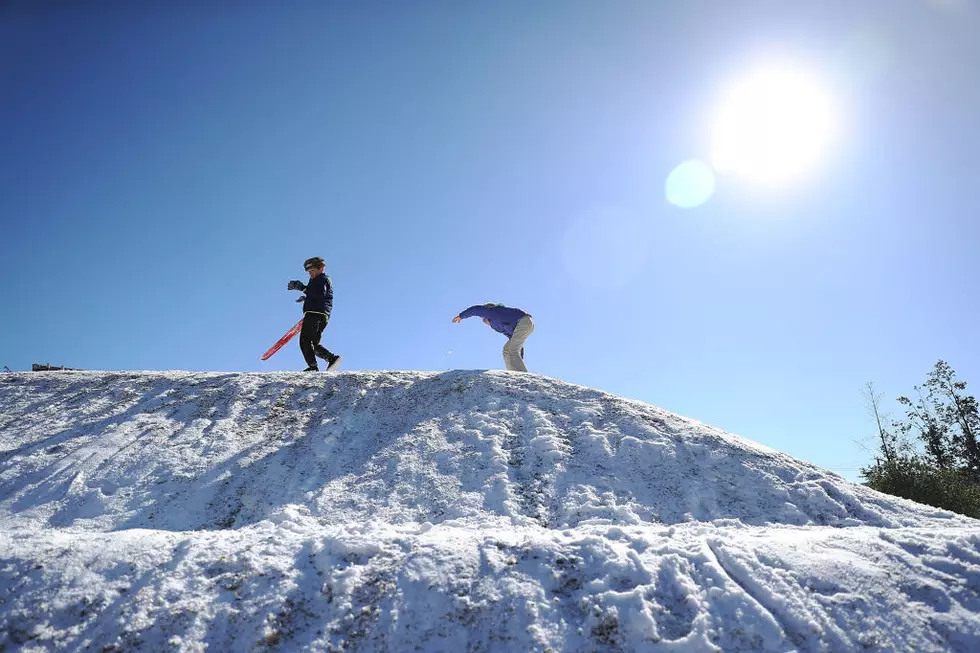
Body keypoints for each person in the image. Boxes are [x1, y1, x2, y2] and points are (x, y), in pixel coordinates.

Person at [287, 256, 342, 372]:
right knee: (313, 343)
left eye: (312, 271)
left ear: (321, 268)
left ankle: (313, 367)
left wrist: (302, 288)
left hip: (316, 314)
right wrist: (306, 298)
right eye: (309, 272)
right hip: (319, 314)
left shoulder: (322, 278)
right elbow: (316, 293)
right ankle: (332, 359)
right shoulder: (315, 280)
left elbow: (319, 293)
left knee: (305, 340)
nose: (310, 274)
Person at [452, 303, 534, 372]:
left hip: (523, 321)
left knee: (512, 350)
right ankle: (513, 373)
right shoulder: (497, 326)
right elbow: (512, 338)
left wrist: (461, 316)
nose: (483, 321)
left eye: (483, 318)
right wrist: (520, 357)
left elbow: (476, 310)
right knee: (506, 349)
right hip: (522, 325)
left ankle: (522, 375)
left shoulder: (493, 312)